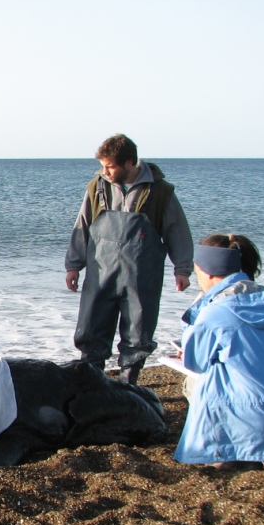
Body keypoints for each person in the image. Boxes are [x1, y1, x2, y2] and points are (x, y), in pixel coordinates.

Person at [173, 234, 264, 476]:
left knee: (196, 382)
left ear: (208, 272)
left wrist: (195, 313)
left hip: (257, 422)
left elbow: (194, 362)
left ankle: (237, 451)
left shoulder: (215, 312)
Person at [65, 134, 194, 383]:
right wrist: (73, 266)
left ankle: (128, 385)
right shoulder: (96, 188)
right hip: (101, 272)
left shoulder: (160, 192)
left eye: (110, 166)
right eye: (103, 166)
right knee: (92, 329)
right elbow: (82, 225)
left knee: (138, 331)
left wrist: (183, 269)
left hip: (141, 275)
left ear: (130, 162)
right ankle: (91, 384)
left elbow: (177, 231)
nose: (105, 171)